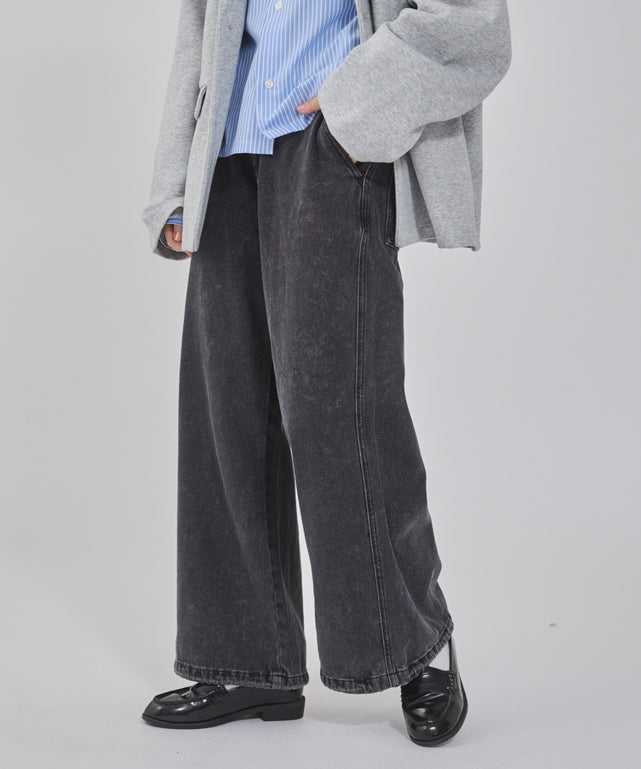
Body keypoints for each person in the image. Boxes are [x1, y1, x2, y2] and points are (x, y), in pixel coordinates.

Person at [139, 0, 511, 747]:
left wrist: (350, 101)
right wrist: (176, 181)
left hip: (331, 148)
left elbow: (474, 25)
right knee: (226, 410)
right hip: (228, 155)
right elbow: (199, 34)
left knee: (341, 411)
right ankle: (250, 661)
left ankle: (416, 648)